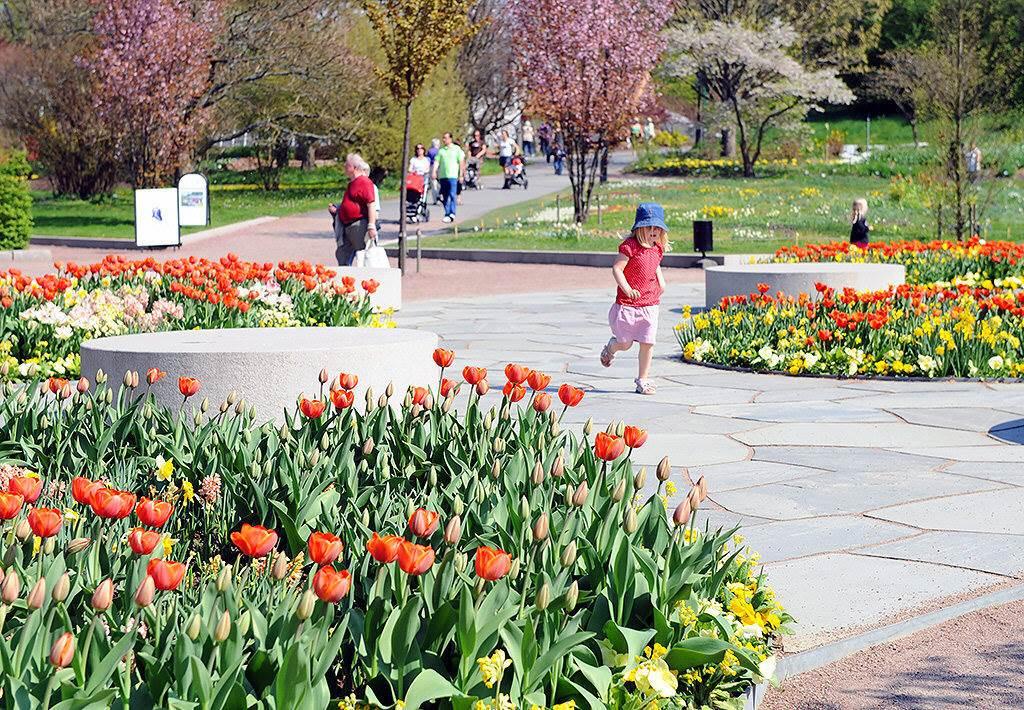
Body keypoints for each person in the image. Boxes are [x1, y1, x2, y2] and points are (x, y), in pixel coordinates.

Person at [600, 203, 669, 395]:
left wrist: (661, 283)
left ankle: (643, 379)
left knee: (648, 342)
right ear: (639, 228)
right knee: (626, 343)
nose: (653, 231)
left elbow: (655, 266)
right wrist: (627, 288)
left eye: (657, 228)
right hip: (628, 304)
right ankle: (611, 348)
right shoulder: (630, 247)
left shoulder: (657, 248)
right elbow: (617, 269)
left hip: (650, 303)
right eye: (649, 227)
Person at [328, 153, 378, 266]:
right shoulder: (352, 183)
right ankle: (345, 280)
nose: (345, 167)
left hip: (359, 225)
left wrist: (371, 225)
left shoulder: (364, 182)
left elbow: (371, 204)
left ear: (354, 167)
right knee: (342, 256)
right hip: (347, 226)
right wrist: (337, 210)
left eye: (347, 165)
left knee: (363, 256)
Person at [432, 132, 465, 222]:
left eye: (445, 138)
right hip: (443, 176)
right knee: (445, 195)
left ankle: (452, 213)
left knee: (452, 194)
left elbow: (461, 162)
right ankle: (447, 213)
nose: (444, 140)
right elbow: (437, 162)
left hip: (453, 176)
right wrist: (434, 171)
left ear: (450, 139)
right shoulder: (441, 151)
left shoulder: (456, 149)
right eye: (443, 138)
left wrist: (461, 174)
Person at [426, 138, 441, 204]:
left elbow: (428, 160)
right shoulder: (440, 151)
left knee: (433, 184)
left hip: (432, 167)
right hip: (440, 167)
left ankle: (435, 199)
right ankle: (440, 196)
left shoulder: (430, 151)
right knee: (440, 183)